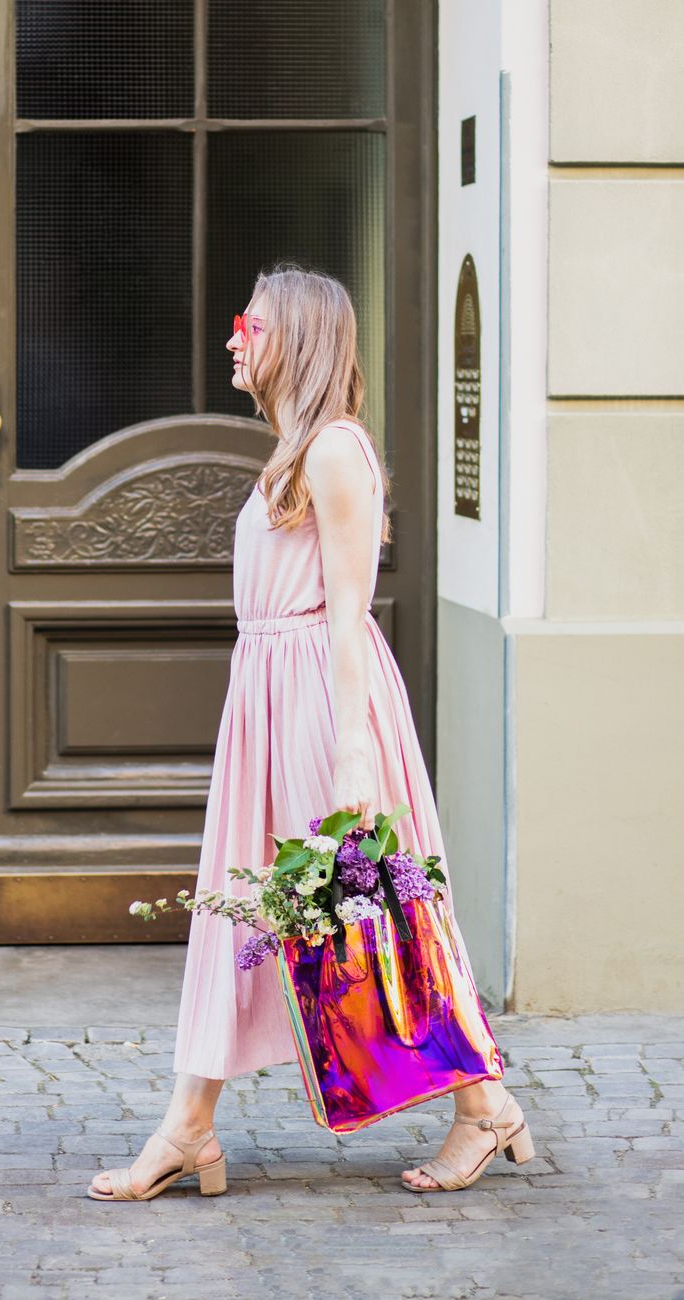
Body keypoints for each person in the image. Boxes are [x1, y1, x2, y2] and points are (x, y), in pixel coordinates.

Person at [88, 265, 530, 1203]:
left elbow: (346, 615)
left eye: (246, 322)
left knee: (377, 909)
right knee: (254, 907)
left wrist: (352, 751)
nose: (232, 340)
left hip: (320, 708)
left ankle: (483, 1106)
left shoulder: (333, 453)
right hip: (268, 700)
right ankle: (190, 1123)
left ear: (292, 335)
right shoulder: (295, 452)